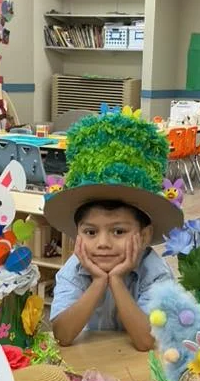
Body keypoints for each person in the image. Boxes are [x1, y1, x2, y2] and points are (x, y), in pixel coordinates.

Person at [44, 109, 183, 350]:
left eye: (118, 232)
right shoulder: (74, 270)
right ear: (78, 234)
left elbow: (147, 341)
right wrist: (99, 282)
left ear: (145, 235)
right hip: (89, 366)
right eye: (90, 232)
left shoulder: (156, 274)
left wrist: (116, 280)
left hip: (139, 373)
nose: (103, 243)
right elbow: (62, 336)